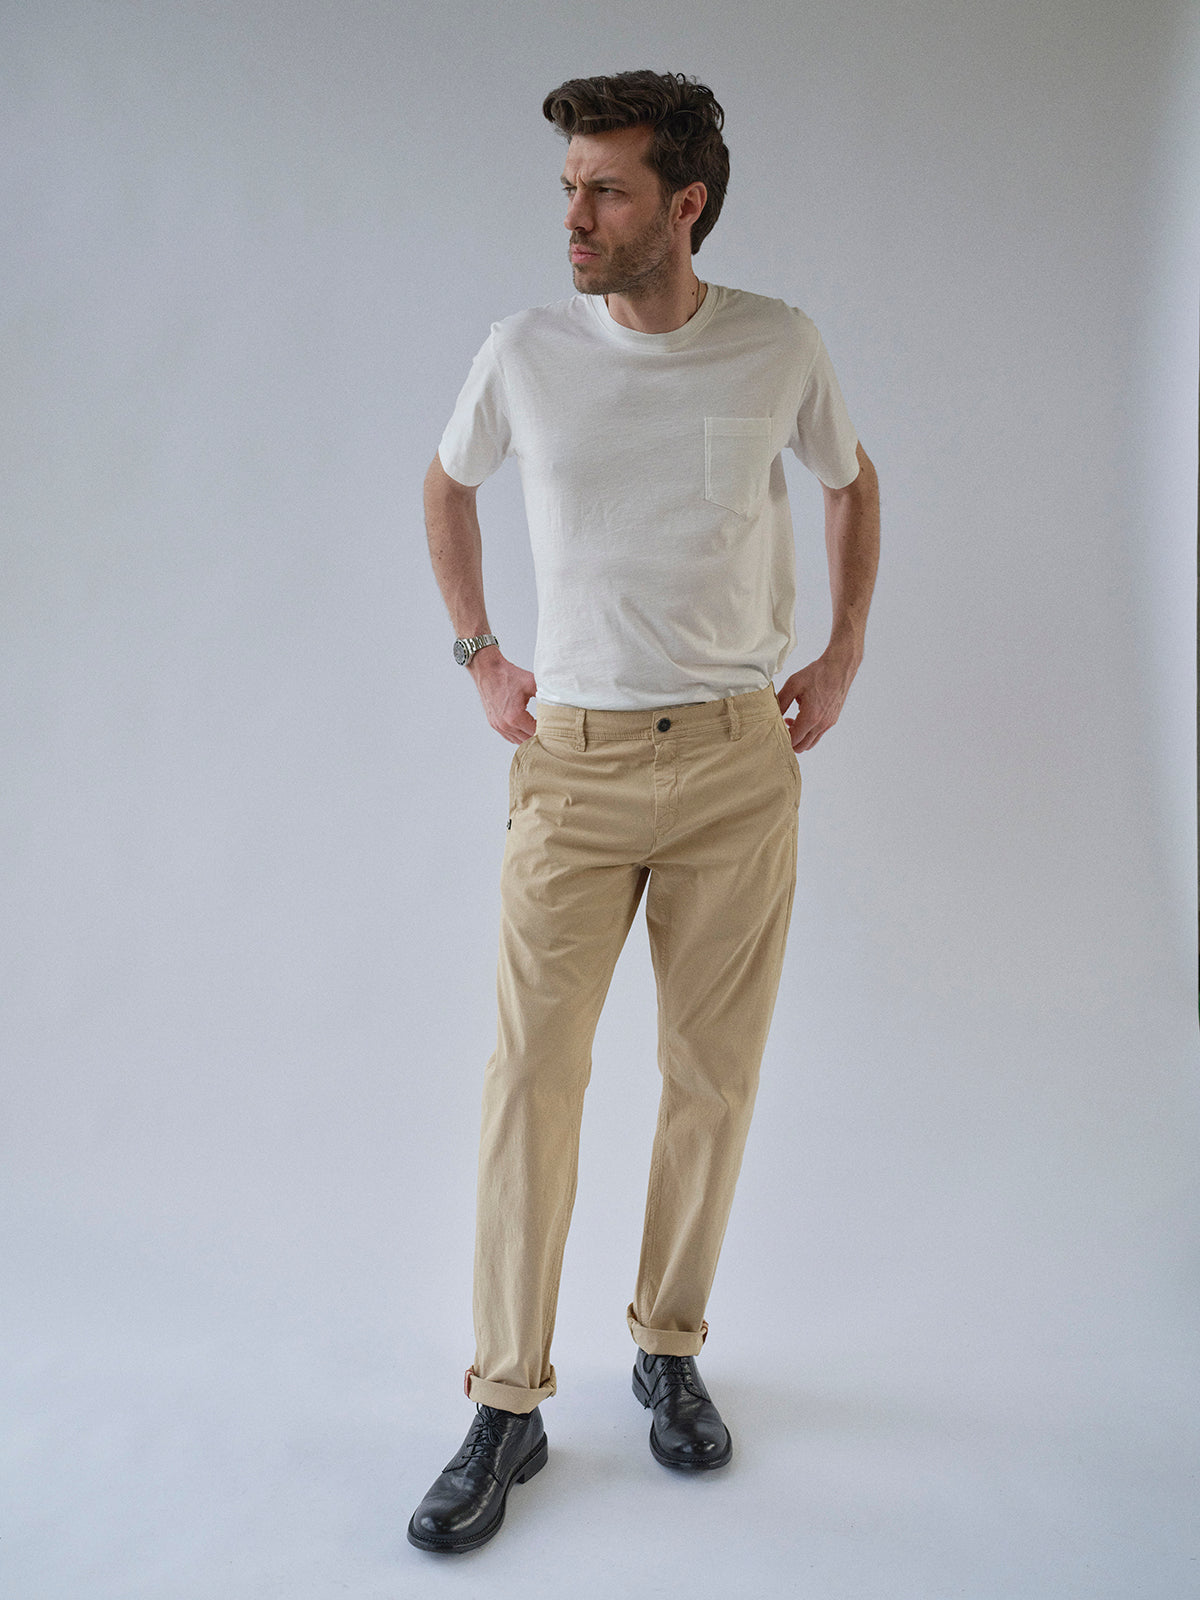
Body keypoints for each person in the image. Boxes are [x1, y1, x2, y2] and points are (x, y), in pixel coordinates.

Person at [408, 69, 880, 1554]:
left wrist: (844, 651)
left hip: (741, 763)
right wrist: (482, 655)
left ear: (685, 204)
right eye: (567, 187)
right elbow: (444, 482)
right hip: (575, 759)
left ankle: (669, 1351)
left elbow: (853, 484)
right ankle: (506, 1397)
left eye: (604, 190)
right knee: (530, 1080)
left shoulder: (778, 344)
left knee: (709, 1076)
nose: (574, 216)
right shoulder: (526, 351)